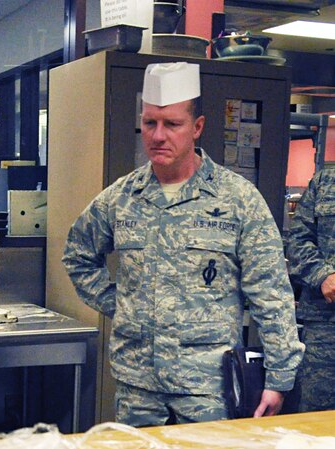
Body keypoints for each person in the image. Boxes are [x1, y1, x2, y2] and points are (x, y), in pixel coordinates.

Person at [62, 62, 303, 427]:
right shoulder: (121, 198)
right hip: (137, 384)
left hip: (207, 388)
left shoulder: (237, 199)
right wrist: (125, 305)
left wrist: (279, 377)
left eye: (172, 124)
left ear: (197, 127)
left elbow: (271, 292)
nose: (158, 136)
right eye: (149, 123)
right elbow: (78, 256)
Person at [285, 168, 335, 411]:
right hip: (326, 325)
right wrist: (322, 275)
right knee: (317, 414)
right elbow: (297, 240)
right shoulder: (325, 183)